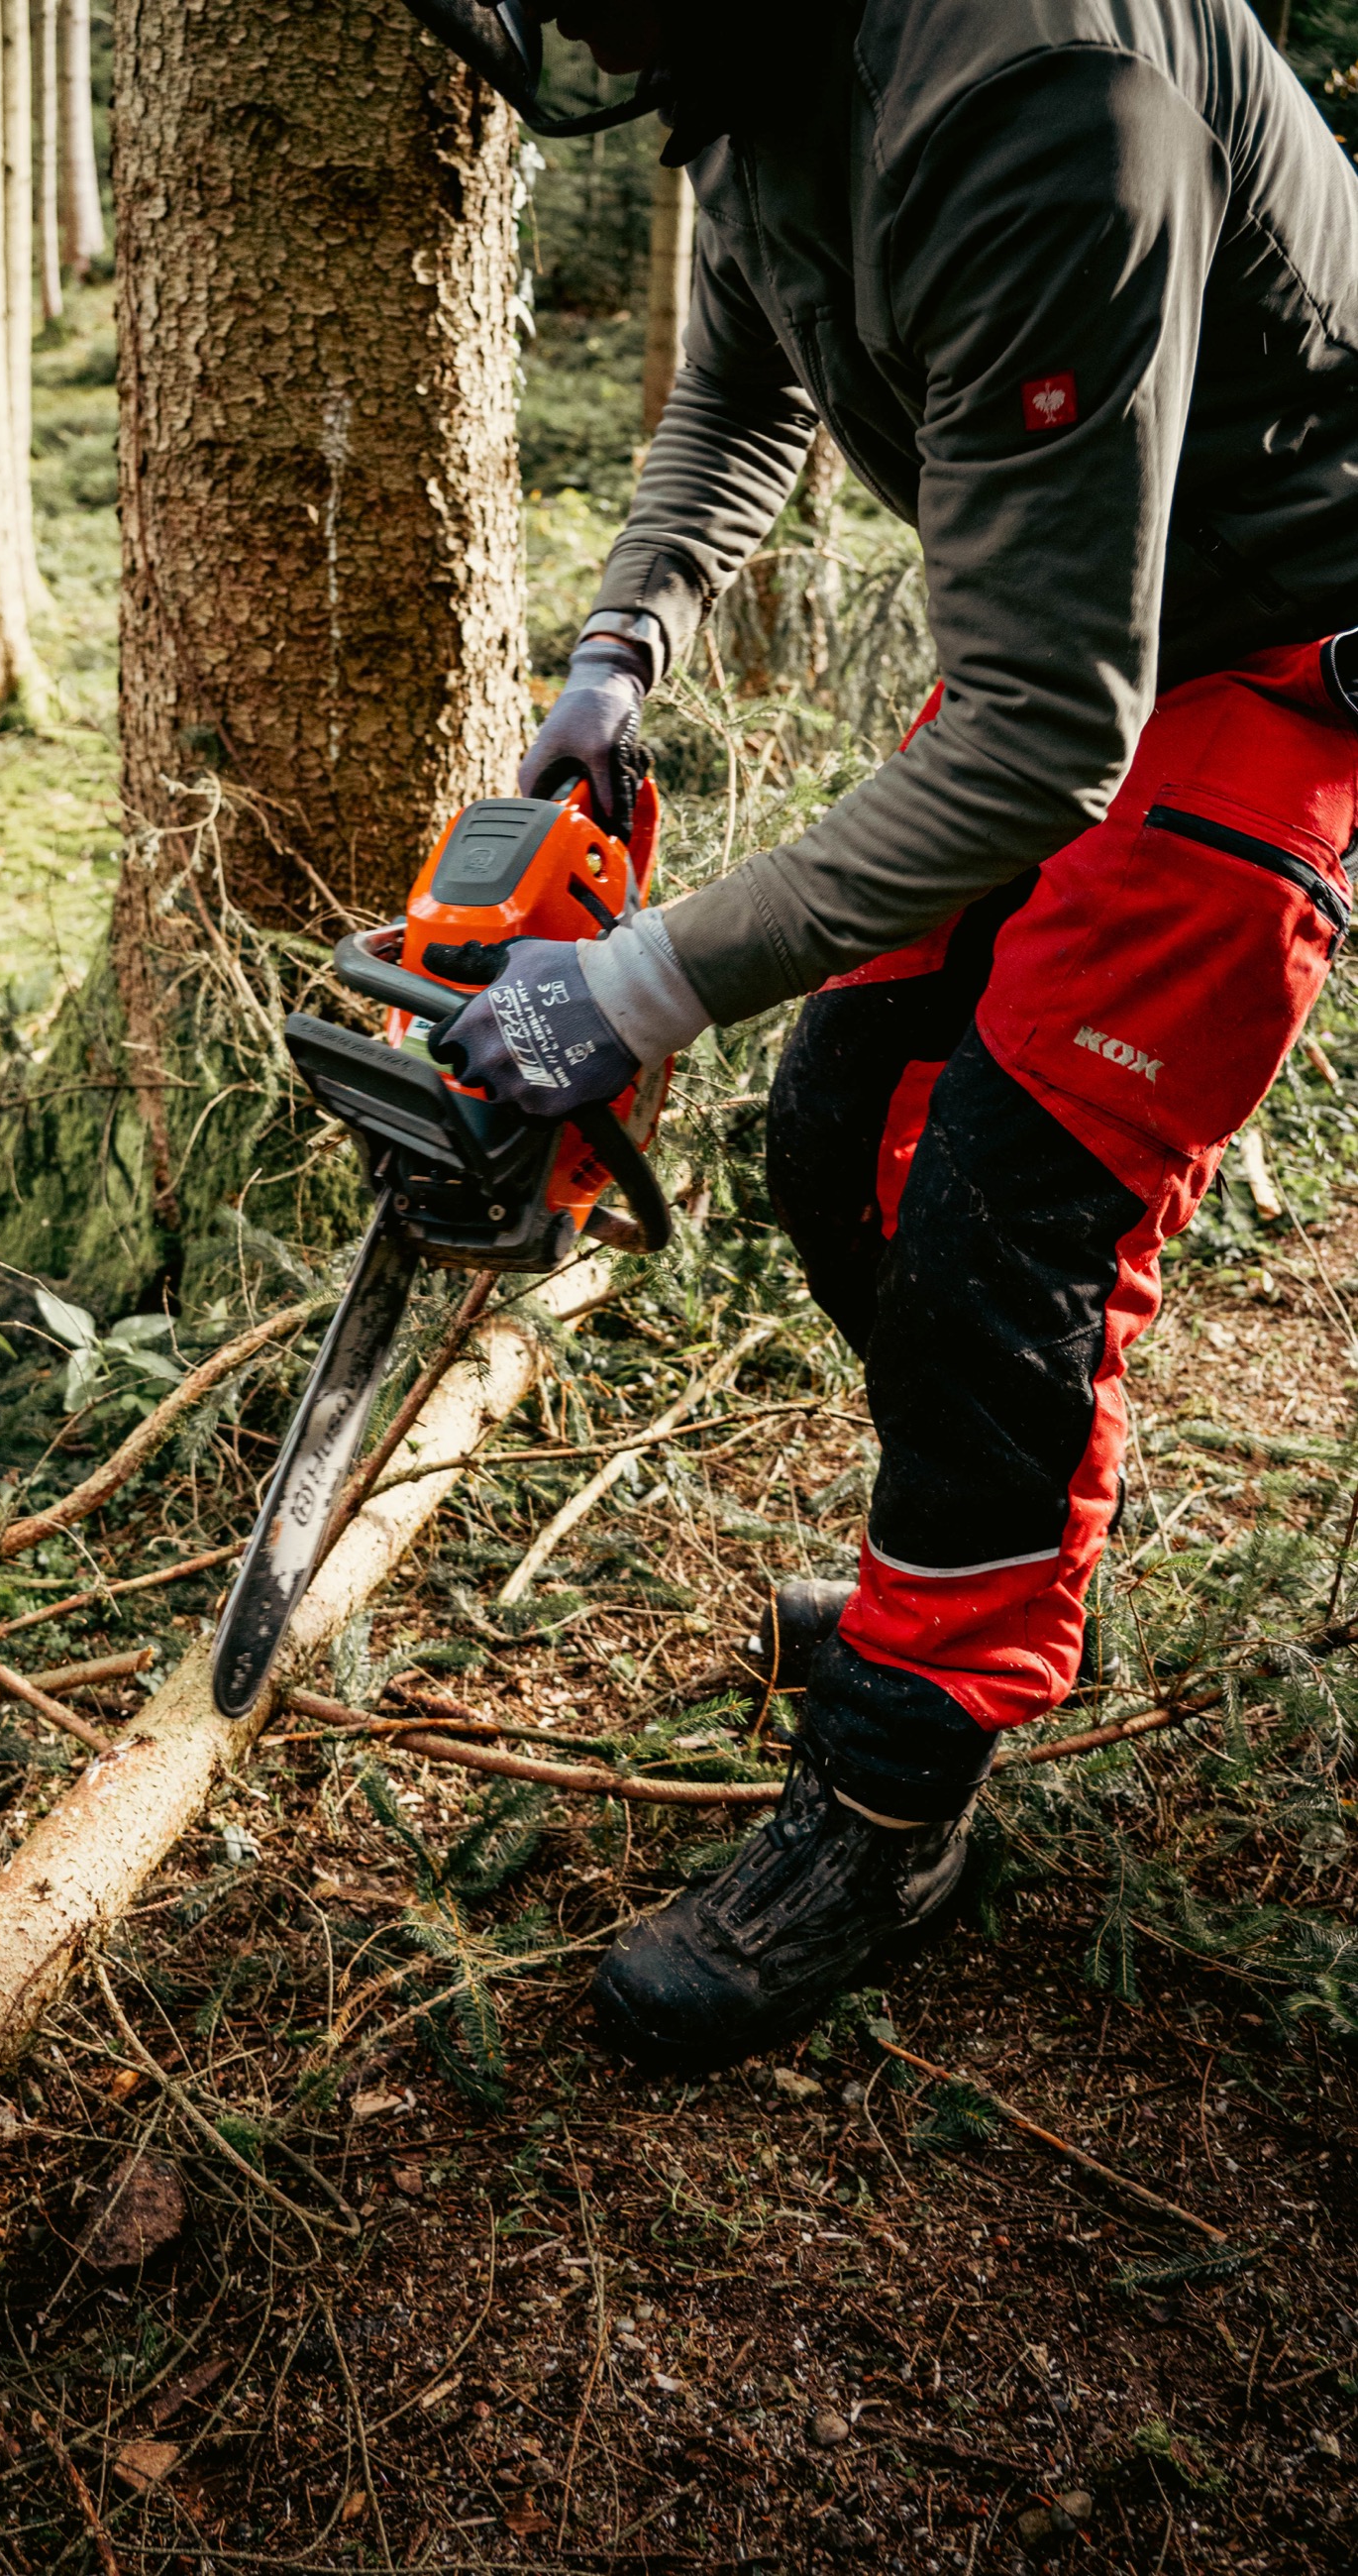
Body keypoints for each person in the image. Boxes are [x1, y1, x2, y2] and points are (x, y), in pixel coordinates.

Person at [402, 0, 1358, 2077]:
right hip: (1077, 642)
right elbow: (739, 390)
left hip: (1262, 654)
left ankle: (898, 1796)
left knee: (1007, 1225)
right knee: (838, 1148)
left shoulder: (1036, 105)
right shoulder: (761, 64)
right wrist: (617, 648)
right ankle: (960, 1531)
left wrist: (639, 983)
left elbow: (1043, 730)